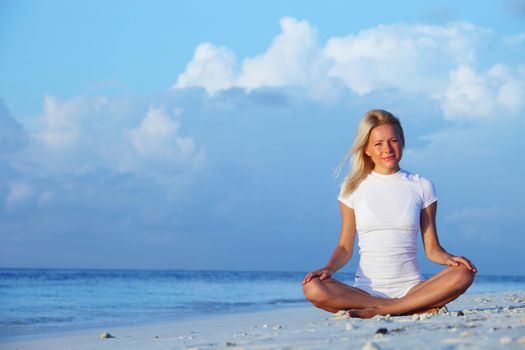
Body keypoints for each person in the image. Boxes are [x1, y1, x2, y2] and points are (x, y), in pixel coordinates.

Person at [302, 109, 476, 318]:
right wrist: (328, 268)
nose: (387, 149)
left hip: (413, 290)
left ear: (402, 142)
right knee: (312, 287)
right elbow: (345, 248)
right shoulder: (352, 188)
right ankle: (402, 307)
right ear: (366, 149)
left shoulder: (422, 186)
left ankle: (383, 310)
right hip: (364, 293)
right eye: (378, 143)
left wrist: (450, 258)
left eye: (393, 141)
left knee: (464, 273)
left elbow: (432, 249)